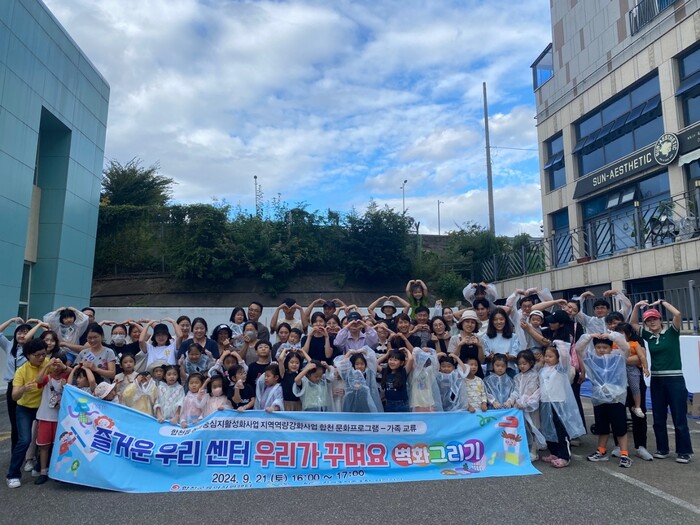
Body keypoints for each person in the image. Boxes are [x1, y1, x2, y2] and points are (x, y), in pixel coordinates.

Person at [630, 300, 693, 464]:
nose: (652, 322)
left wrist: (662, 302)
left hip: (675, 379)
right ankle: (662, 449)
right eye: (648, 321)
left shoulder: (672, 332)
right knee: (658, 417)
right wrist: (636, 307)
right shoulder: (649, 336)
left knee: (679, 417)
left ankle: (684, 451)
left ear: (660, 319)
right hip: (657, 380)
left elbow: (678, 314)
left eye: (654, 319)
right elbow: (633, 323)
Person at [576, 332, 632, 467]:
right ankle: (601, 451)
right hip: (599, 398)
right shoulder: (591, 358)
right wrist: (590, 336)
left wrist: (612, 336)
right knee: (602, 427)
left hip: (616, 398)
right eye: (598, 347)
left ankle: (624, 454)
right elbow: (578, 348)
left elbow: (626, 347)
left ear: (611, 348)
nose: (601, 350)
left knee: (620, 427)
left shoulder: (618, 357)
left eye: (605, 347)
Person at [5, 338, 49, 489]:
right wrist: (23, 389)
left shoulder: (48, 363)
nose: (41, 358)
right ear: (28, 355)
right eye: (38, 355)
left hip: (44, 408)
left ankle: (40, 467)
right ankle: (12, 475)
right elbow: (14, 396)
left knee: (46, 439)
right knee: (24, 440)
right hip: (25, 409)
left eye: (44, 354)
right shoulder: (21, 371)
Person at [539, 341, 586, 468]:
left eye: (551, 356)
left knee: (561, 429)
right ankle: (554, 452)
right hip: (546, 403)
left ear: (558, 358)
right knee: (548, 428)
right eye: (546, 356)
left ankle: (565, 456)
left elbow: (565, 357)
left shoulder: (560, 369)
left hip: (558, 403)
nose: (547, 358)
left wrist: (559, 345)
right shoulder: (543, 370)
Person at [1, 318, 45, 451]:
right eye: (19, 332)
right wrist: (11, 321)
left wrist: (38, 324)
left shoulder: (30, 349)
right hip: (13, 386)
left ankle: (32, 454)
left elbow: (27, 339)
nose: (22, 335)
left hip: (29, 388)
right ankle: (16, 452)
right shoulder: (9, 346)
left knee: (31, 425)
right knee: (14, 423)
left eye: (25, 332)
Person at [33, 354, 69, 484]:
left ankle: (58, 472)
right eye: (54, 364)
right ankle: (43, 471)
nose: (56, 367)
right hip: (45, 416)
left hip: (61, 418)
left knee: (60, 446)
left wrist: (64, 367)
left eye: (58, 364)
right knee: (44, 446)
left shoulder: (66, 378)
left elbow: (74, 373)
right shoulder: (47, 378)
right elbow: (37, 380)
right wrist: (47, 365)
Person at [513, 350, 544, 461]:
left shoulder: (534, 375)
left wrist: (524, 402)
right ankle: (525, 449)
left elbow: (532, 391)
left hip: (531, 407)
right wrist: (513, 400)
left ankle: (534, 451)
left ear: (531, 363)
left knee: (533, 427)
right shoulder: (517, 377)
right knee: (523, 428)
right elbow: (516, 390)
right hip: (520, 407)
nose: (522, 366)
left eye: (524, 363)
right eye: (520, 364)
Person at [334, 348, 383, 413]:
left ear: (365, 365)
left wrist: (364, 352)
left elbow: (372, 361)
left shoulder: (369, 373)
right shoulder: (349, 374)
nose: (359, 366)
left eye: (362, 364)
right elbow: (342, 365)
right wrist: (349, 353)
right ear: (353, 364)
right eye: (357, 364)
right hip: (351, 401)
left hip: (366, 402)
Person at [481, 308, 519, 376]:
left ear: (505, 320)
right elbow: (484, 355)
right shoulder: (486, 337)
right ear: (491, 321)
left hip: (509, 370)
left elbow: (516, 355)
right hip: (492, 371)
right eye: (495, 319)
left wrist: (509, 357)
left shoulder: (513, 337)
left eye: (501, 319)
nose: (499, 322)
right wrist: (489, 356)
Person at [409, 347, 442, 412]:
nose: (422, 361)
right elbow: (412, 359)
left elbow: (436, 366)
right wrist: (418, 351)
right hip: (417, 402)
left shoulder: (429, 371)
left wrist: (431, 351)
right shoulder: (413, 372)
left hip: (429, 402)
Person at [279, 347, 310, 411]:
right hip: (286, 404)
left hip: (299, 404)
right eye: (292, 362)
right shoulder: (283, 374)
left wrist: (302, 351)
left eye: (297, 363)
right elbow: (280, 359)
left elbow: (311, 363)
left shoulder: (301, 374)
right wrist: (285, 350)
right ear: (287, 363)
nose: (294, 365)